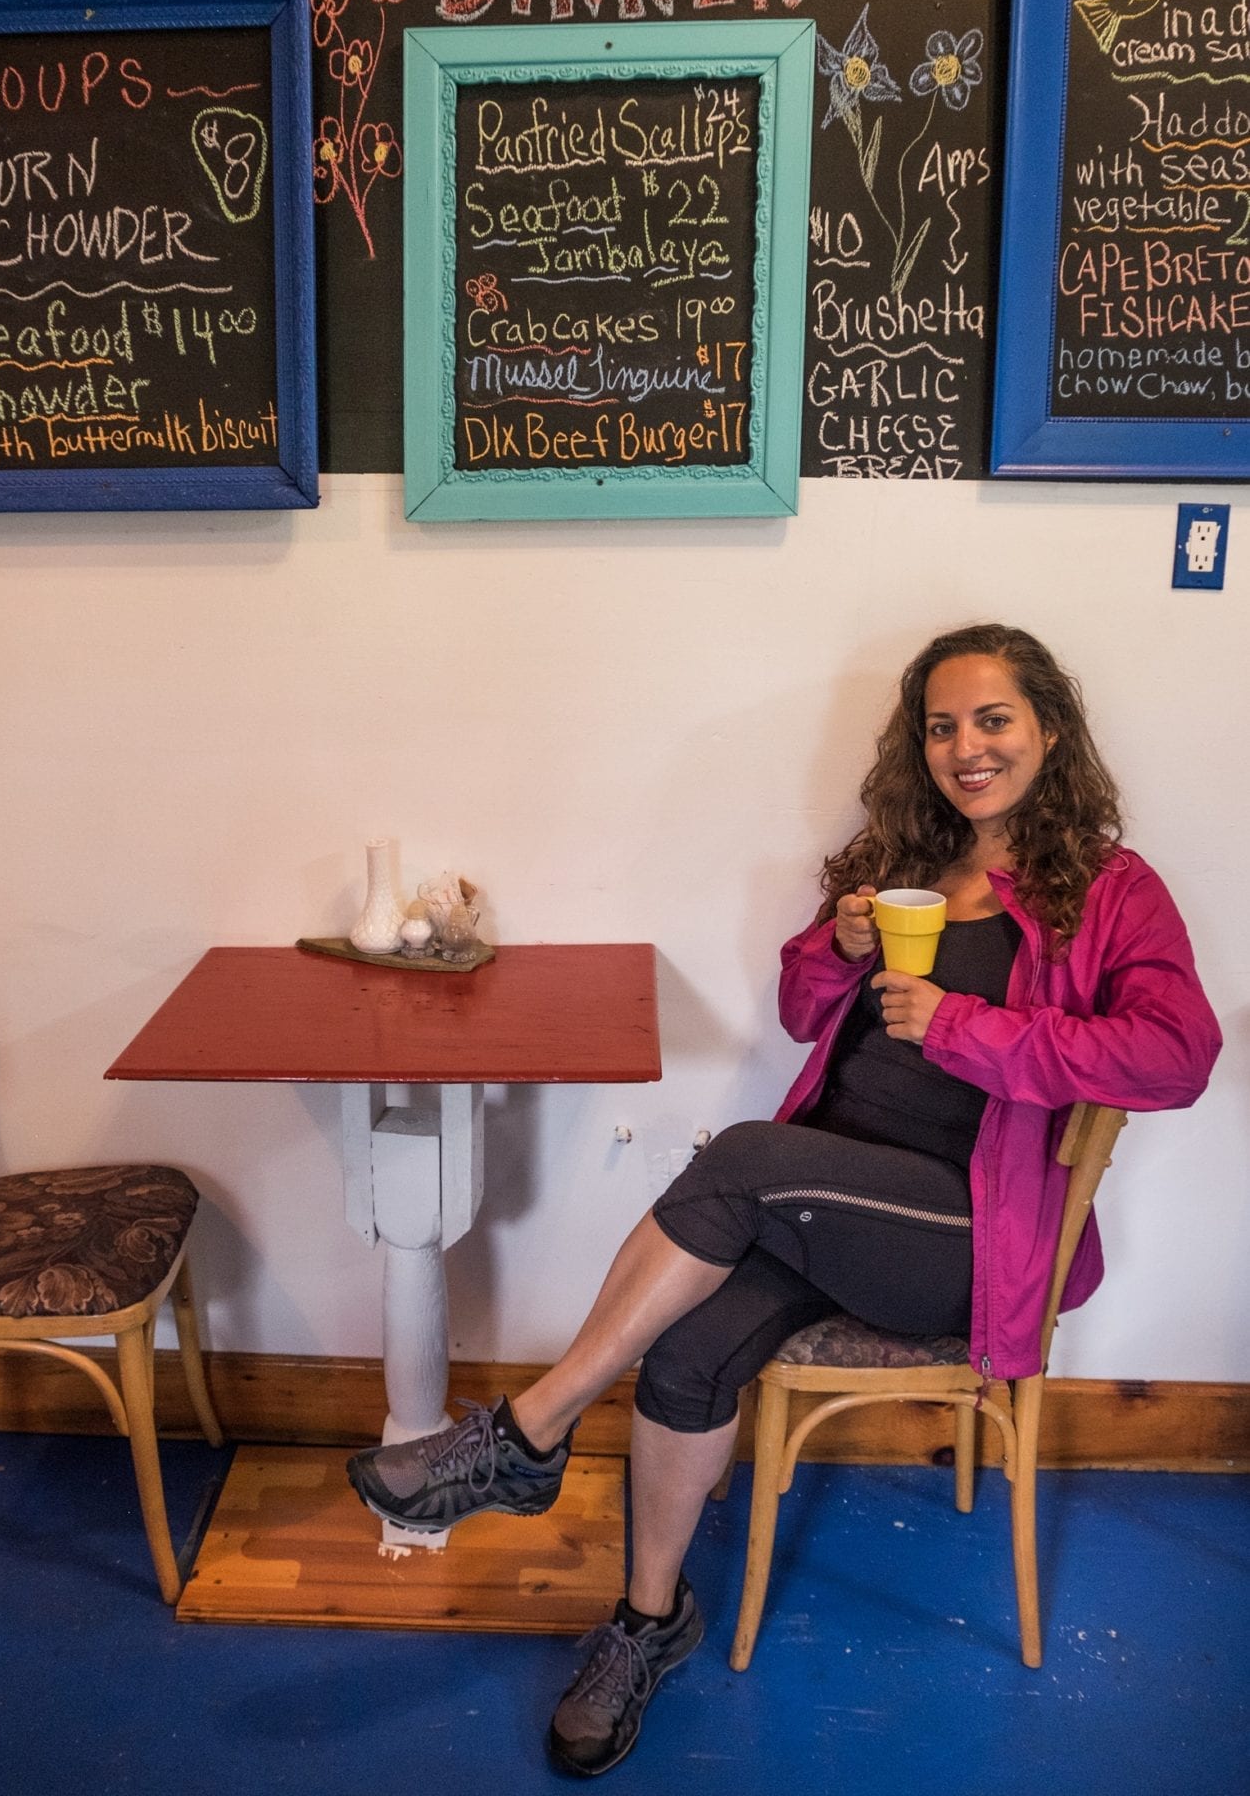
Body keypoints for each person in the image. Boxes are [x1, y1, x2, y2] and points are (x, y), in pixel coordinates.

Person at [348, 623, 1220, 1777]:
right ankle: (645, 1623)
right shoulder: (895, 854)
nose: (966, 746)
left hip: (974, 1231)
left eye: (993, 719)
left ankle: (526, 1433)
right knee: (689, 1350)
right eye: (941, 724)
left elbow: (1176, 1055)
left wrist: (967, 1027)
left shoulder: (1108, 888)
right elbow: (806, 1010)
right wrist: (837, 942)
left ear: (1047, 729)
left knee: (747, 1155)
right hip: (830, 1197)